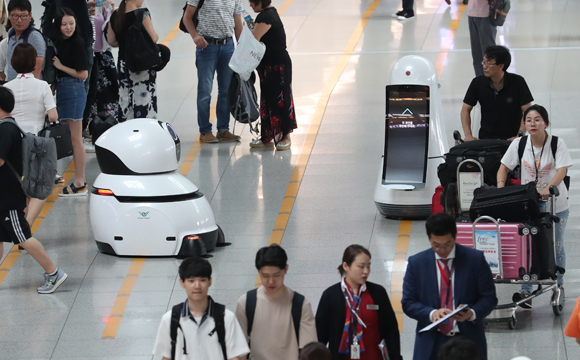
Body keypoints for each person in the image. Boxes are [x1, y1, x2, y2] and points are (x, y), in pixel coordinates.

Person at [496, 104, 572, 308]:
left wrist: (549, 187)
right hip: (529, 204)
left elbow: (561, 171)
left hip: (556, 203)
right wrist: (502, 188)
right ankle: (527, 288)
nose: (532, 123)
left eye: (537, 119)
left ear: (546, 123)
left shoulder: (557, 143)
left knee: (555, 245)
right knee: (527, 245)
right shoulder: (520, 144)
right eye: (528, 120)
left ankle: (558, 285)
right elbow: (503, 168)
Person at [0, 86, 68, 294]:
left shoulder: (5, 129)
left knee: (23, 237)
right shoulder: (10, 127)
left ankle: (54, 272)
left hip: (8, 196)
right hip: (5, 194)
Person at [402, 213, 497, 360]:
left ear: (455, 236)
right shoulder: (417, 263)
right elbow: (408, 302)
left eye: (447, 245)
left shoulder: (474, 260)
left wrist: (471, 313)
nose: (442, 251)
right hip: (431, 342)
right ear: (429, 238)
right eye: (436, 245)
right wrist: (431, 313)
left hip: (467, 341)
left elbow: (489, 298)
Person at [152, 257, 250, 360]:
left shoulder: (227, 318)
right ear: (182, 282)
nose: (197, 286)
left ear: (210, 281)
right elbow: (166, 357)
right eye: (191, 281)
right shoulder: (170, 319)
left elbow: (237, 356)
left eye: (202, 280)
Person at [316, 244, 403, 360]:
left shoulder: (378, 293)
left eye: (368, 266)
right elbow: (320, 334)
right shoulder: (330, 295)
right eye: (361, 266)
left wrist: (395, 357)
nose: (366, 271)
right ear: (346, 266)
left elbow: (391, 330)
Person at [5, 43, 57, 226]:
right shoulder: (42, 86)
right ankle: (27, 226)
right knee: (39, 187)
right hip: (35, 143)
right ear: (34, 63)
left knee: (21, 186)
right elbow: (53, 115)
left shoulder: (7, 87)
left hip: (11, 141)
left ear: (13, 63)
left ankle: (22, 228)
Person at [235, 244, 317, 360]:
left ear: (286, 269)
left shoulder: (300, 305)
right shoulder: (246, 303)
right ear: (258, 272)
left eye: (276, 275)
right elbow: (239, 350)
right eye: (265, 276)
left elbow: (309, 351)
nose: (271, 281)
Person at [182, 0, 242, 143]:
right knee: (205, 91)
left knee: (226, 91)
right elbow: (187, 17)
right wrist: (195, 36)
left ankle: (223, 129)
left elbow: (237, 21)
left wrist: (240, 47)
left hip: (228, 46)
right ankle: (205, 131)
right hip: (207, 47)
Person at [51, 8, 90, 197]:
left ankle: (80, 182)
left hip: (74, 89)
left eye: (71, 23)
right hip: (64, 90)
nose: (69, 27)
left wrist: (60, 67)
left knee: (76, 140)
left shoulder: (78, 43)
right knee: (72, 139)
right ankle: (79, 180)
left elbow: (83, 74)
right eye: (65, 24)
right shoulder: (61, 42)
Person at [248, 0, 296, 151]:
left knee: (282, 99)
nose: (250, 5)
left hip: (278, 66)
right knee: (267, 101)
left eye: (252, 2)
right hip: (268, 66)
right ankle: (267, 136)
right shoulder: (268, 14)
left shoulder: (266, 17)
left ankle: (286, 136)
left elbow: (252, 41)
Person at [461, 45, 533, 141]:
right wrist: (468, 135)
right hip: (486, 139)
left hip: (511, 139)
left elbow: (528, 111)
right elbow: (465, 109)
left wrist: (519, 136)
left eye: (489, 64)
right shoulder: (477, 83)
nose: (484, 66)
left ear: (501, 66)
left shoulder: (518, 82)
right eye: (484, 62)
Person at [107, 0, 158, 122]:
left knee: (125, 99)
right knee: (144, 99)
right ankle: (144, 128)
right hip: (141, 63)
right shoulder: (142, 14)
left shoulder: (115, 16)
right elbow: (154, 38)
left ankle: (126, 129)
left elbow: (111, 41)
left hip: (123, 64)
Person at [6, 0, 45, 81]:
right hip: (12, 86)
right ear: (9, 15)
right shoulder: (11, 33)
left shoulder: (34, 37)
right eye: (15, 16)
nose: (19, 20)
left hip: (28, 89)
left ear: (30, 15)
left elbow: (37, 70)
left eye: (24, 16)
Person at [467, 0, 496, 77]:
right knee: (477, 55)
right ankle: (480, 82)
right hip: (472, 13)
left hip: (486, 14)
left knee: (489, 54)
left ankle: (492, 82)